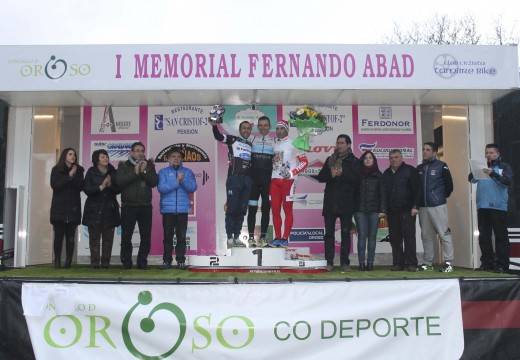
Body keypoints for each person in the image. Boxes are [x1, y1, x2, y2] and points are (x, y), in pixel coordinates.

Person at [317, 134, 360, 272]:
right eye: (338, 143)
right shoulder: (330, 159)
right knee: (329, 234)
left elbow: (357, 179)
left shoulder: (354, 161)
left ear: (348, 145)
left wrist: (343, 174)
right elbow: (320, 177)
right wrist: (331, 174)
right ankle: (329, 262)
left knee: (345, 234)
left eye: (342, 143)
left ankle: (345, 263)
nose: (339, 145)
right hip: (330, 202)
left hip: (346, 202)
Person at [210, 118, 252, 253]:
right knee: (232, 209)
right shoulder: (233, 140)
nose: (246, 130)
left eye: (248, 128)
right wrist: (215, 125)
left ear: (251, 130)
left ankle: (237, 237)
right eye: (243, 128)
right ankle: (229, 238)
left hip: (247, 180)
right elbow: (217, 136)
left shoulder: (251, 144)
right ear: (240, 130)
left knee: (241, 210)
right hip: (234, 179)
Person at [469, 143, 513, 273]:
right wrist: (475, 170)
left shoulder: (504, 166)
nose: (489, 155)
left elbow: (507, 182)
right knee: (484, 236)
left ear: (498, 154)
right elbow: (470, 179)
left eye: (491, 153)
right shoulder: (482, 166)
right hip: (482, 206)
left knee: (501, 236)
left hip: (498, 207)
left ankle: (502, 264)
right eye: (487, 153)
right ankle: (487, 263)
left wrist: (493, 174)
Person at [117, 141, 158, 270]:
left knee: (145, 236)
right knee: (126, 236)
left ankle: (142, 261)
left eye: (142, 150)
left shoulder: (149, 164)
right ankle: (126, 262)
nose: (140, 153)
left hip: (145, 206)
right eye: (137, 150)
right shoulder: (123, 165)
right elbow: (120, 182)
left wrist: (144, 171)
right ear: (131, 152)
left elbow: (154, 182)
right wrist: (135, 172)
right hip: (128, 206)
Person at [268, 119, 309, 248]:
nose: (279, 131)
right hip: (274, 181)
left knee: (287, 210)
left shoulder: (294, 144)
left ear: (287, 130)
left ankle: (285, 238)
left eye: (282, 128)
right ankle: (278, 238)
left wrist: (292, 173)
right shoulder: (273, 144)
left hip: (288, 182)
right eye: (278, 128)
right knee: (275, 210)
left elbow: (304, 162)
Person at [417, 142, 454, 273]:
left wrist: (439, 198)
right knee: (426, 235)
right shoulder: (419, 168)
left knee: (444, 234)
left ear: (434, 153)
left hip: (438, 205)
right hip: (423, 207)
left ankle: (449, 263)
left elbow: (449, 186)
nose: (424, 151)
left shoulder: (442, 166)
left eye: (427, 150)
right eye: (423, 149)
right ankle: (428, 263)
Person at [157, 148, 198, 270]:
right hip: (167, 211)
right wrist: (177, 181)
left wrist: (183, 179)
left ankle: (181, 261)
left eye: (178, 157)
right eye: (173, 156)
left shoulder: (188, 172)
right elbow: (162, 188)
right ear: (169, 159)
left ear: (182, 159)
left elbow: (193, 187)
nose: (176, 158)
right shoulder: (163, 172)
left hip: (182, 210)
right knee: (167, 237)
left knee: (181, 237)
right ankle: (166, 261)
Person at [382, 149, 420, 272]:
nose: (394, 159)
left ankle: (411, 263)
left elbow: (417, 190)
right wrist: (384, 210)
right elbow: (383, 193)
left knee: (409, 237)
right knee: (395, 239)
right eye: (391, 157)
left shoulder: (410, 170)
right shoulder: (386, 173)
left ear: (401, 158)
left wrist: (415, 206)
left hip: (407, 210)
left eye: (396, 157)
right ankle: (398, 263)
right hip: (392, 212)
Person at [82, 149, 121, 269]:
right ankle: (95, 264)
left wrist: (110, 185)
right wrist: (101, 186)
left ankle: (105, 264)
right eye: (103, 157)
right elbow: (87, 189)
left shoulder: (113, 172)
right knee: (94, 239)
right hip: (94, 210)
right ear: (96, 160)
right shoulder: (91, 171)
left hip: (110, 209)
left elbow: (119, 189)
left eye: (107, 156)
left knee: (108, 239)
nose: (106, 159)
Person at [50, 148, 84, 269]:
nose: (73, 156)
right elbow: (55, 185)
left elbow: (80, 187)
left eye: (74, 154)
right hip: (59, 208)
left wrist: (74, 176)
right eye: (70, 154)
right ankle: (57, 259)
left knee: (70, 237)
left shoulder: (79, 170)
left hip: (73, 208)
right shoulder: (56, 170)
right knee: (59, 236)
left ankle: (68, 261)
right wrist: (68, 177)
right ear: (64, 156)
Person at [354, 150, 386, 271]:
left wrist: (382, 210)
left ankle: (370, 263)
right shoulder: (357, 175)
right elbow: (353, 194)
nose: (368, 160)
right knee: (362, 236)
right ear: (362, 160)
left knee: (372, 237)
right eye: (366, 158)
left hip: (374, 210)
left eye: (370, 158)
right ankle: (361, 263)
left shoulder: (379, 175)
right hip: (360, 210)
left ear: (374, 161)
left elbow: (383, 194)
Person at [247, 116, 275, 247]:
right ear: (258, 127)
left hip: (267, 182)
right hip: (253, 180)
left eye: (266, 125)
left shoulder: (275, 141)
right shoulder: (252, 138)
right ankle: (251, 238)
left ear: (270, 127)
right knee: (252, 209)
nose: (263, 127)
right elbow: (233, 133)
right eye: (261, 125)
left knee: (265, 209)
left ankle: (263, 238)